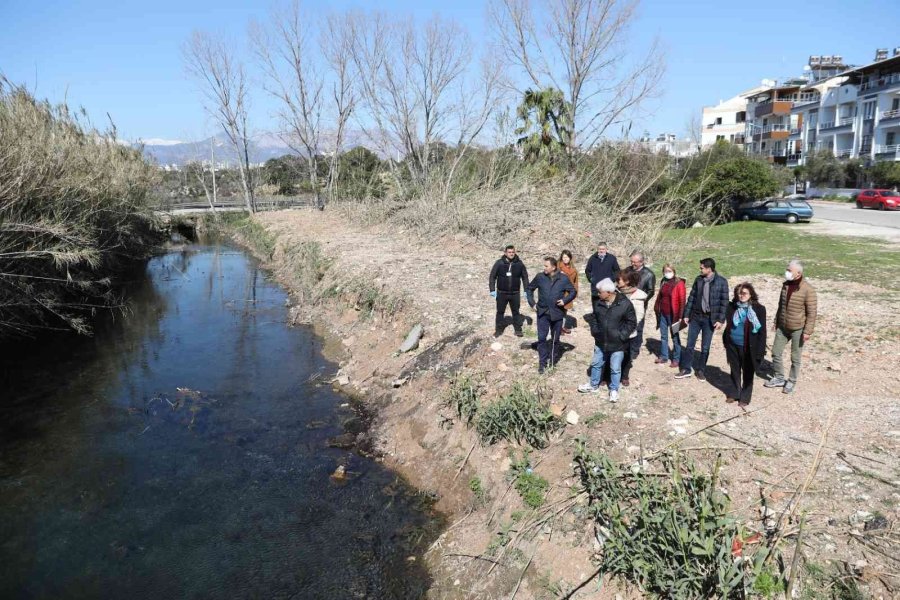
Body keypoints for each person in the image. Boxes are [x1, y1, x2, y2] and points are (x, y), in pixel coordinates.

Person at [578, 278, 637, 403]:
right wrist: (595, 331)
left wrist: (621, 336)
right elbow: (594, 318)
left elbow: (631, 323)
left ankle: (614, 390)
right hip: (601, 340)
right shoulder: (599, 303)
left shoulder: (625, 304)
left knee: (615, 368)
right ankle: (593, 385)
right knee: (596, 364)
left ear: (609, 292)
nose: (598, 294)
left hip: (618, 343)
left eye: (600, 292)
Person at [765, 259, 817, 394]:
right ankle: (779, 378)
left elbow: (812, 313)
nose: (786, 272)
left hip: (798, 329)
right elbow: (780, 305)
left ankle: (791, 381)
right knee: (776, 352)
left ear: (798, 274)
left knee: (795, 358)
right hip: (783, 326)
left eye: (789, 271)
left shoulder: (808, 290)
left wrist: (808, 331)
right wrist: (776, 321)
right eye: (787, 270)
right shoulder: (786, 285)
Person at [675, 258, 729, 381]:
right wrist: (686, 315)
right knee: (689, 344)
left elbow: (724, 302)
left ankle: (701, 370)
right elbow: (692, 298)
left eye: (702, 268)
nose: (700, 269)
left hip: (710, 319)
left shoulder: (721, 282)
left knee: (705, 347)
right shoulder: (698, 280)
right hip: (696, 317)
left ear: (709, 269)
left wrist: (720, 320)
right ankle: (686, 369)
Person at [526, 257, 577, 373]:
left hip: (557, 314)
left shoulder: (563, 279)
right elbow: (529, 289)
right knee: (542, 338)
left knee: (555, 340)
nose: (544, 268)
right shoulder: (540, 277)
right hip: (542, 313)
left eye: (546, 266)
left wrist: (565, 301)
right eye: (544, 266)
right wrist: (532, 303)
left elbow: (573, 291)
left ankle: (552, 362)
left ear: (553, 267)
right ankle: (542, 364)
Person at [723, 283, 767, 408]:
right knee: (735, 370)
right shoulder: (732, 307)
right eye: (739, 293)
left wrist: (760, 350)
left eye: (744, 293)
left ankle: (745, 397)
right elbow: (728, 325)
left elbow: (762, 332)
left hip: (749, 346)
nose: (741, 295)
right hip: (732, 344)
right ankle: (735, 392)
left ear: (751, 294)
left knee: (748, 371)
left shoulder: (759, 309)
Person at [488, 244, 529, 338]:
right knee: (500, 312)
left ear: (515, 252)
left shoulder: (519, 263)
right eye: (509, 252)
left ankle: (518, 330)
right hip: (502, 293)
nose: (511, 254)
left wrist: (526, 290)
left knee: (516, 312)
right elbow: (492, 276)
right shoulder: (499, 263)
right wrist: (492, 289)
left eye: (513, 252)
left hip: (515, 293)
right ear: (505, 253)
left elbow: (525, 277)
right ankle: (498, 330)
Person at [615, 270, 647, 386]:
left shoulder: (637, 296)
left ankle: (624, 375)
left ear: (627, 281)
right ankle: (607, 374)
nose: (617, 281)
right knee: (611, 352)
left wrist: (628, 327)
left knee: (627, 354)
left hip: (629, 330)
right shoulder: (615, 292)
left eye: (619, 279)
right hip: (614, 328)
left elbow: (639, 315)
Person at [622, 251, 655, 359]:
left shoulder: (649, 274)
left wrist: (642, 300)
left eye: (635, 262)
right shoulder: (628, 270)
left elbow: (651, 291)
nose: (632, 264)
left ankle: (634, 350)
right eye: (631, 261)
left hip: (639, 304)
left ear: (641, 262)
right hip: (626, 302)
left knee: (638, 326)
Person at [653, 263, 686, 368]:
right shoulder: (663, 281)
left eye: (669, 271)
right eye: (665, 271)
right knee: (663, 336)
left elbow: (682, 300)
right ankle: (664, 356)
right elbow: (660, 296)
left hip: (674, 315)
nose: (667, 273)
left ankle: (676, 359)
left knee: (675, 337)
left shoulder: (679, 283)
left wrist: (681, 316)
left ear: (674, 271)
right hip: (663, 313)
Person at [558, 250, 579, 334]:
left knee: (564, 310)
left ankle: (562, 327)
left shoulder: (573, 269)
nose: (565, 259)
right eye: (563, 257)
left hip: (569, 293)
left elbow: (575, 282)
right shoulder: (557, 267)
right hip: (559, 291)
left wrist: (575, 293)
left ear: (570, 258)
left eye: (566, 257)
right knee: (558, 309)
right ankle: (557, 328)